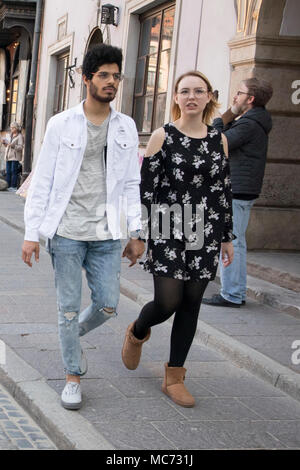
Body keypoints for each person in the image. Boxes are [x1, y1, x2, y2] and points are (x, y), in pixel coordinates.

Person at [21, 44, 145, 410]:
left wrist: (136, 232)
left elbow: (131, 183)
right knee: (69, 307)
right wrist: (32, 233)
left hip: (108, 233)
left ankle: (68, 337)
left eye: (116, 76)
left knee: (107, 304)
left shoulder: (126, 126)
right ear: (87, 78)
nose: (111, 82)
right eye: (103, 75)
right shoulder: (61, 124)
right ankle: (72, 374)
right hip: (67, 233)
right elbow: (42, 179)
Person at [121, 71, 235, 408]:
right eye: (184, 91)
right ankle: (138, 330)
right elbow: (146, 190)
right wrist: (138, 234)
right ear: (175, 97)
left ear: (209, 97)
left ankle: (174, 376)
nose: (191, 97)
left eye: (199, 91)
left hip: (206, 228)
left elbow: (222, 190)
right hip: (168, 225)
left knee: (191, 304)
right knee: (168, 301)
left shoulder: (220, 140)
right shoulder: (163, 136)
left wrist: (227, 236)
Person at [203, 77, 273, 308]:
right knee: (236, 242)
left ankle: (231, 294)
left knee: (230, 242)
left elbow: (216, 141)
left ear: (250, 99)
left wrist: (225, 115)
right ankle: (236, 292)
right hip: (243, 190)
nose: (235, 96)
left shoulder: (248, 125)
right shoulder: (254, 122)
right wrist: (233, 112)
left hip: (237, 191)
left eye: (239, 93)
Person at [3, 122, 23, 192]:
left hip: (15, 157)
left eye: (13, 127)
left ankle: (13, 186)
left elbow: (20, 147)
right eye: (11, 127)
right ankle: (7, 186)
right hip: (8, 156)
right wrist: (5, 143)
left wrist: (12, 145)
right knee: (8, 172)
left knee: (14, 171)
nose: (11, 129)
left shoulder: (19, 136)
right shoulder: (10, 135)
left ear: (16, 128)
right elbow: (8, 146)